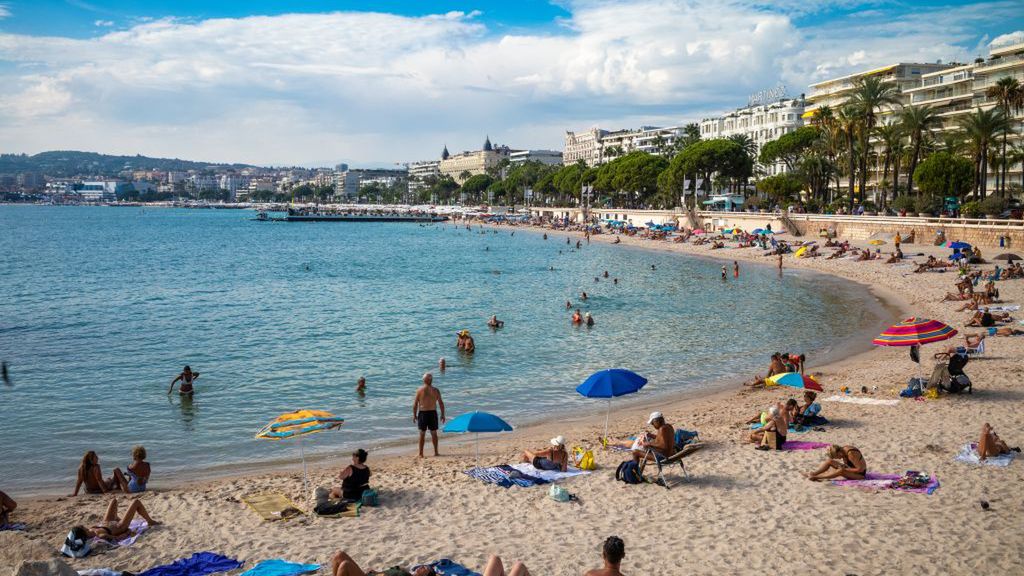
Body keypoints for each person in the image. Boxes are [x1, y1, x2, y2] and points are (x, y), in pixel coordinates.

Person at [75, 497, 160, 541]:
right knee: (136, 502)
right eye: (82, 527)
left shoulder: (91, 529)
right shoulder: (101, 536)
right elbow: (118, 538)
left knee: (114, 500)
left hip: (108, 521)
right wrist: (128, 532)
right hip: (120, 526)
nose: (83, 526)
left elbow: (101, 525)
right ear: (84, 532)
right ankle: (150, 521)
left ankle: (118, 518)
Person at [413, 373, 445, 458]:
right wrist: (442, 414)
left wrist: (414, 415)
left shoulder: (420, 390)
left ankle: (421, 454)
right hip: (432, 413)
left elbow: (415, 404)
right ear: (431, 380)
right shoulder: (436, 390)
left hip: (423, 414)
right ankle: (436, 452)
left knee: (422, 434)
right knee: (434, 433)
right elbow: (441, 403)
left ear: (424, 380)